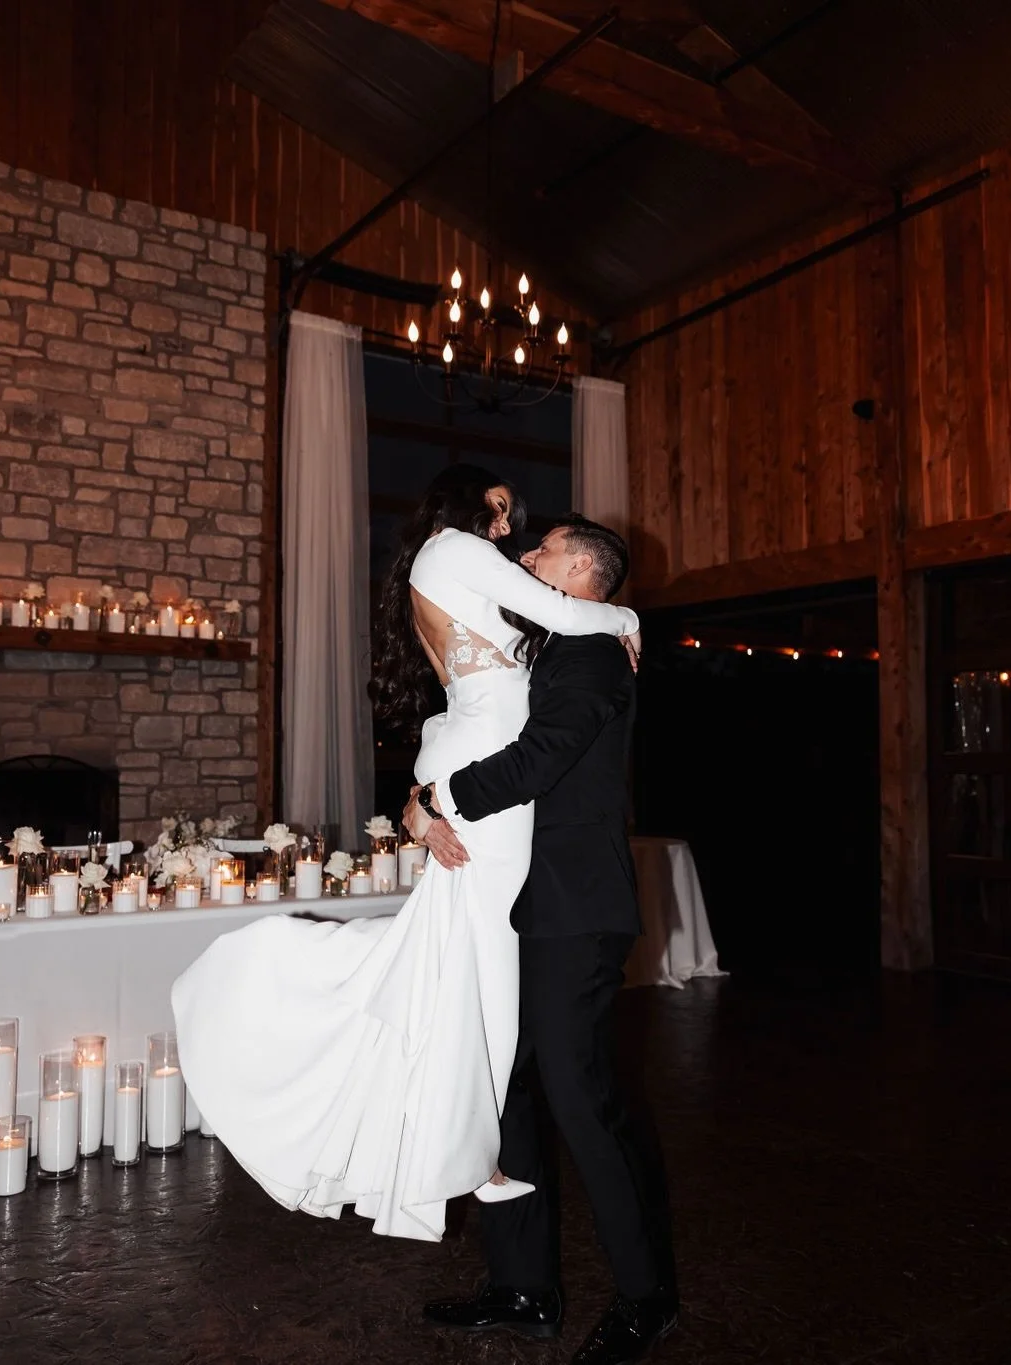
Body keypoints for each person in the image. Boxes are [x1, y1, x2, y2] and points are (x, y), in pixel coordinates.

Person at [170, 467, 639, 1243]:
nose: (511, 538)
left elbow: (533, 639)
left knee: (459, 942)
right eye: (502, 512)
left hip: (476, 756)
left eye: (522, 527)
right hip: (486, 762)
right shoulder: (454, 547)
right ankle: (467, 1142)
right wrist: (623, 614)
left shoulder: (452, 563)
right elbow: (558, 610)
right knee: (472, 942)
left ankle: (464, 1139)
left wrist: (425, 799)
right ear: (463, 502)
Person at [404, 515, 678, 1365]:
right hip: (521, 903)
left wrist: (440, 799)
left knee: (579, 1096)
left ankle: (647, 1297)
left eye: (543, 552)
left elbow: (541, 756)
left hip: (576, 910)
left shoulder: (592, 655)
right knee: (507, 1087)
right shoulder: (553, 649)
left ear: (585, 569)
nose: (524, 560)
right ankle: (524, 1287)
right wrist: (424, 791)